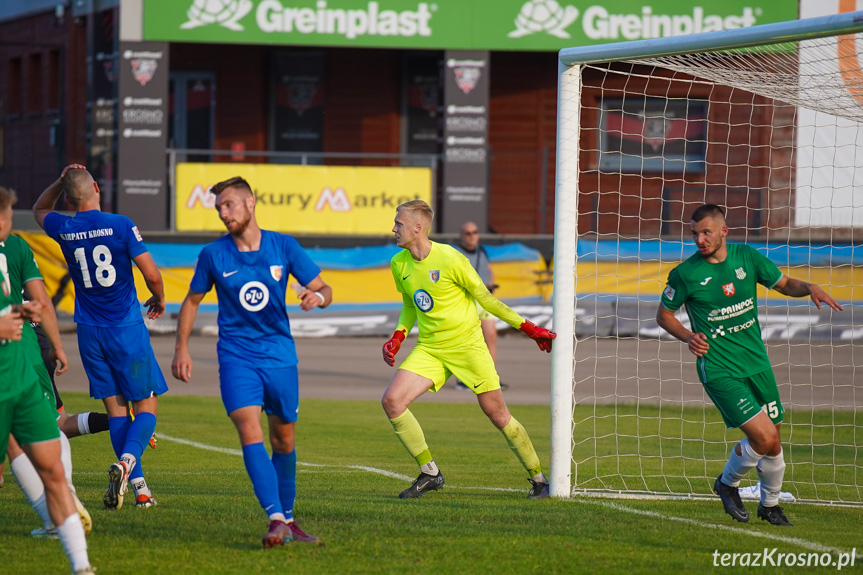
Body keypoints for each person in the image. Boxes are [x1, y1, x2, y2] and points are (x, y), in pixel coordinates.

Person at [656, 204, 843, 526]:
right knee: (763, 437)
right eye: (695, 234)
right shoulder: (685, 273)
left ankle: (769, 505)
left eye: (706, 232)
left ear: (723, 232)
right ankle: (727, 484)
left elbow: (784, 284)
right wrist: (688, 337)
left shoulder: (748, 257)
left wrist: (809, 287)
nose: (700, 240)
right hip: (719, 368)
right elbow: (664, 315)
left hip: (757, 363)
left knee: (774, 440)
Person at [171, 176, 332, 548]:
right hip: (236, 356)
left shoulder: (284, 246)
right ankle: (275, 517)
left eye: (229, 205)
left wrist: (316, 298)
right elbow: (192, 301)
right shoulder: (213, 255)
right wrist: (181, 348)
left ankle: (289, 521)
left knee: (284, 438)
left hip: (279, 356)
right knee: (248, 427)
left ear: (250, 202)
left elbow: (326, 289)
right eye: (218, 209)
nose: (223, 214)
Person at [381, 200, 556, 499]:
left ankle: (539, 479)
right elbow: (411, 304)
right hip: (431, 348)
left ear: (417, 227)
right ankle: (430, 472)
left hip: (468, 346)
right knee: (393, 401)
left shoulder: (450, 258)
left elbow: (486, 300)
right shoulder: (399, 263)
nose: (394, 228)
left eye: (398, 223)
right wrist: (398, 335)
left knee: (497, 414)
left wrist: (528, 328)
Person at [33, 164, 168, 510]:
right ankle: (126, 464)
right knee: (146, 407)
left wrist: (59, 180)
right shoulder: (121, 224)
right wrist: (159, 297)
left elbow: (39, 210)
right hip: (125, 328)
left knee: (117, 413)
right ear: (96, 186)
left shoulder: (63, 226)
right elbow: (151, 274)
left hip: (90, 332)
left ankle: (139, 490)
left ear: (67, 197)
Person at [0, 185, 94, 574]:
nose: (7, 223)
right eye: (4, 215)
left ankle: (82, 568)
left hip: (21, 376)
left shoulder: (17, 248)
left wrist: (53, 340)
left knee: (52, 469)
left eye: (7, 215)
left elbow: (41, 300)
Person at [452, 221, 507, 391]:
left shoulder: (482, 251)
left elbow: (488, 270)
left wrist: (490, 284)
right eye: (468, 233)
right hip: (466, 300)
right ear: (462, 235)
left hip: (483, 299)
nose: (472, 236)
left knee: (491, 337)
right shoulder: (455, 253)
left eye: (475, 232)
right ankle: (464, 379)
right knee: (465, 341)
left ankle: (490, 377)